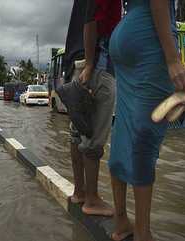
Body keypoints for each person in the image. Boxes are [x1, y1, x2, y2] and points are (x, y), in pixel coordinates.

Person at [108, 0, 185, 240]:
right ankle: (142, 234)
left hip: (127, 31)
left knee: (124, 131)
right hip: (149, 40)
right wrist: (172, 59)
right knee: (145, 139)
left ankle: (121, 222)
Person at [64, 0, 121, 216]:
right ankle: (92, 199)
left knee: (77, 133)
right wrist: (90, 63)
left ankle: (80, 192)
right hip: (98, 65)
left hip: (78, 65)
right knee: (94, 138)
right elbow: (92, 20)